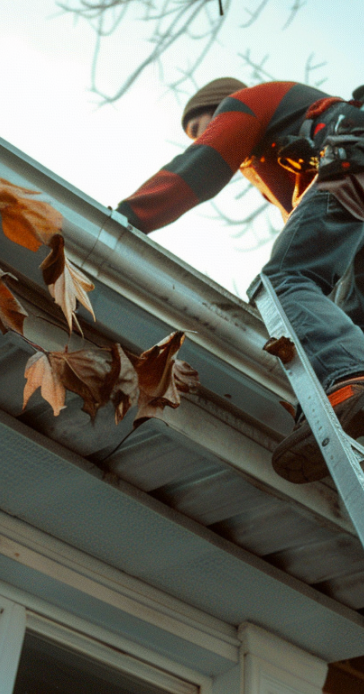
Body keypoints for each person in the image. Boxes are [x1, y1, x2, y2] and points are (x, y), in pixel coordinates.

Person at [117, 78, 364, 484]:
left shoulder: (248, 101)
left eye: (204, 127)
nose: (207, 136)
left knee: (286, 280)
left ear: (217, 109)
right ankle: (336, 399)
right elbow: (311, 223)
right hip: (355, 190)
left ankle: (346, 380)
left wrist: (128, 217)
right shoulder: (281, 148)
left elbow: (203, 165)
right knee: (343, 309)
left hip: (355, 162)